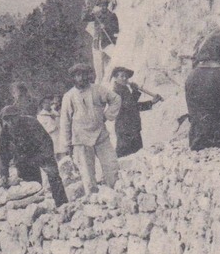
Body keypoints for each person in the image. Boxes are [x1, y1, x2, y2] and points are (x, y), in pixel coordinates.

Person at [61, 62, 121, 194]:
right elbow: (65, 121)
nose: (81, 78)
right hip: (81, 139)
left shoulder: (98, 89)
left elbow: (116, 99)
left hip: (101, 136)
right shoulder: (69, 96)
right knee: (87, 174)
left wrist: (107, 115)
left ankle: (116, 192)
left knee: (111, 166)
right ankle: (92, 199)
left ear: (87, 75)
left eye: (83, 74)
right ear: (73, 78)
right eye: (77, 75)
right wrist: (67, 145)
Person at [0, 105, 68, 208]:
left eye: (13, 118)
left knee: (53, 176)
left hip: (41, 152)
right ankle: (35, 208)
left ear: (18, 116)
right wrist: (4, 174)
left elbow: (45, 142)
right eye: (7, 119)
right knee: (29, 186)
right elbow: (3, 153)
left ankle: (62, 205)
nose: (11, 122)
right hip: (23, 157)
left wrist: (43, 159)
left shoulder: (31, 122)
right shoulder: (6, 130)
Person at [110, 66, 163, 157]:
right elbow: (130, 107)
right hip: (125, 129)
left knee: (136, 154)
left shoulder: (124, 89)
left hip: (132, 127)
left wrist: (135, 91)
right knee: (124, 155)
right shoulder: (116, 92)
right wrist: (151, 102)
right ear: (115, 77)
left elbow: (132, 105)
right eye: (122, 76)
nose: (125, 79)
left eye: (126, 76)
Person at [82, 0, 120, 83]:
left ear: (107, 6)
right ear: (99, 6)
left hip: (107, 43)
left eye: (105, 5)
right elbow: (84, 18)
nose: (103, 7)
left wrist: (106, 27)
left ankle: (110, 78)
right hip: (96, 44)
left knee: (115, 57)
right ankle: (100, 84)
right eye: (101, 6)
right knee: (98, 70)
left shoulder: (112, 16)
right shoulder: (96, 15)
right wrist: (86, 8)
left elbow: (116, 29)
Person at [37, 95, 64, 159]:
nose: (48, 104)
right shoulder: (40, 116)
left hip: (60, 136)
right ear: (42, 104)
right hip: (51, 137)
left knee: (63, 154)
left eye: (49, 103)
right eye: (46, 103)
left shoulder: (56, 113)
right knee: (55, 155)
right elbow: (44, 129)